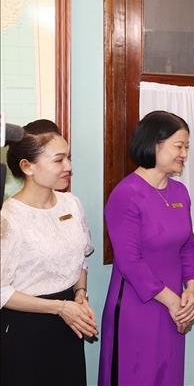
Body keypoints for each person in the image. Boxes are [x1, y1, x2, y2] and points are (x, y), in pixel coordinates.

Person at [98, 111, 194, 386]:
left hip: (175, 307)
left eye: (187, 147)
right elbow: (129, 261)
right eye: (179, 146)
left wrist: (191, 291)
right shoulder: (126, 194)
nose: (184, 154)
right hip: (137, 307)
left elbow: (188, 246)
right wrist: (173, 302)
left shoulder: (180, 193)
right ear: (155, 144)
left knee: (168, 377)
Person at [1, 119, 96, 385]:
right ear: (27, 167)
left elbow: (80, 259)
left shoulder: (72, 204)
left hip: (70, 324)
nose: (69, 167)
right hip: (25, 330)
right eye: (58, 160)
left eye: (69, 158)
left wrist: (80, 294)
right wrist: (60, 307)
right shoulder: (8, 217)